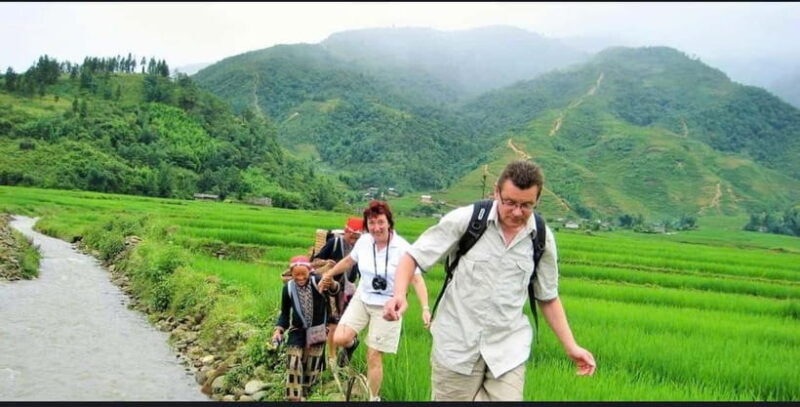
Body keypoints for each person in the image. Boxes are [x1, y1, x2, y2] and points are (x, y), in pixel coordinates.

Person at [383, 160, 596, 401]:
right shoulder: (468, 220)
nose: (517, 212)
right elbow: (413, 256)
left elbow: (547, 297)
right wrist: (399, 294)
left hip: (507, 349)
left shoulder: (542, 238)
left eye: (526, 205)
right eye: (510, 202)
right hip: (457, 345)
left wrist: (571, 347)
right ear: (497, 191)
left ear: (538, 200)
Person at [319, 200, 431, 401]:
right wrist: (329, 274)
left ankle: (373, 398)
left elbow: (417, 279)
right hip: (363, 298)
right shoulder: (364, 242)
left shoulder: (403, 248)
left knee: (374, 355)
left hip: (388, 307)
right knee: (340, 338)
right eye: (371, 223)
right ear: (366, 225)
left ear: (389, 222)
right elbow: (348, 261)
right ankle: (352, 343)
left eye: (380, 222)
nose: (376, 228)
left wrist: (425, 307)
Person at [272, 255, 338, 401]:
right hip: (298, 330)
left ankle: (308, 395)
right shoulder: (288, 289)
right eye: (297, 275)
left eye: (304, 274)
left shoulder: (318, 281)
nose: (300, 277)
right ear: (291, 274)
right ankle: (294, 398)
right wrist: (279, 330)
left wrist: (332, 283)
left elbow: (334, 291)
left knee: (311, 369)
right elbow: (285, 314)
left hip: (317, 331)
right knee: (293, 362)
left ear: (310, 271)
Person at [311, 217, 363, 364]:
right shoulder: (334, 243)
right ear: (346, 231)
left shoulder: (360, 248)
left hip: (348, 292)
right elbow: (315, 262)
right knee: (331, 324)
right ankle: (331, 358)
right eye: (352, 235)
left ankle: (348, 346)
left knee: (343, 325)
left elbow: (361, 271)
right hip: (329, 289)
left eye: (357, 236)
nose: (353, 239)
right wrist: (327, 263)